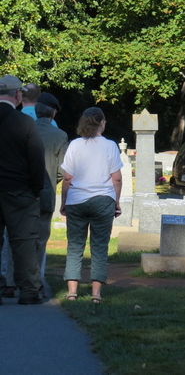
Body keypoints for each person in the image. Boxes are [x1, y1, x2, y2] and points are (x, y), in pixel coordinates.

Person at [60, 107, 123, 303]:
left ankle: (72, 292)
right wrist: (116, 202)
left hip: (77, 200)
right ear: (102, 123)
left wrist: (64, 202)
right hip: (103, 200)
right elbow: (117, 178)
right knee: (99, 246)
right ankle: (96, 294)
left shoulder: (75, 145)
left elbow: (68, 177)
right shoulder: (110, 145)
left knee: (75, 246)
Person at [0, 75, 45, 305]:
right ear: (18, 95)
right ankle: (28, 291)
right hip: (18, 190)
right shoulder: (25, 123)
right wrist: (35, 189)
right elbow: (36, 160)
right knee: (24, 241)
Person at [34, 93, 69, 292]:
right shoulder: (60, 135)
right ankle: (35, 280)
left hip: (20, 194)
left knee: (15, 239)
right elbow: (62, 171)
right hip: (45, 193)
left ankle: (11, 282)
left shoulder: (23, 129)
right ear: (53, 113)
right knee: (39, 240)